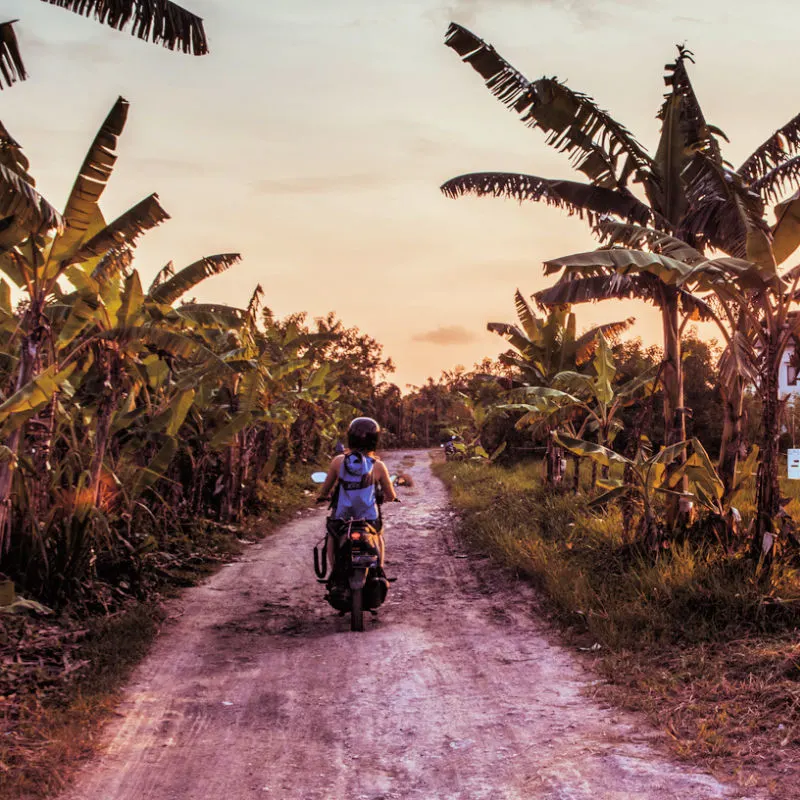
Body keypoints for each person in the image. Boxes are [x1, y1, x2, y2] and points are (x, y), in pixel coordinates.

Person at [317, 417, 397, 573]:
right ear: (375, 440)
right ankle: (379, 569)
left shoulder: (338, 462)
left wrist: (322, 496)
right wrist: (388, 499)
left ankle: (334, 571)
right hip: (368, 518)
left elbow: (325, 489)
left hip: (343, 517)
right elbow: (391, 495)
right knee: (378, 534)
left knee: (332, 535)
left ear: (350, 438)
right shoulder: (378, 465)